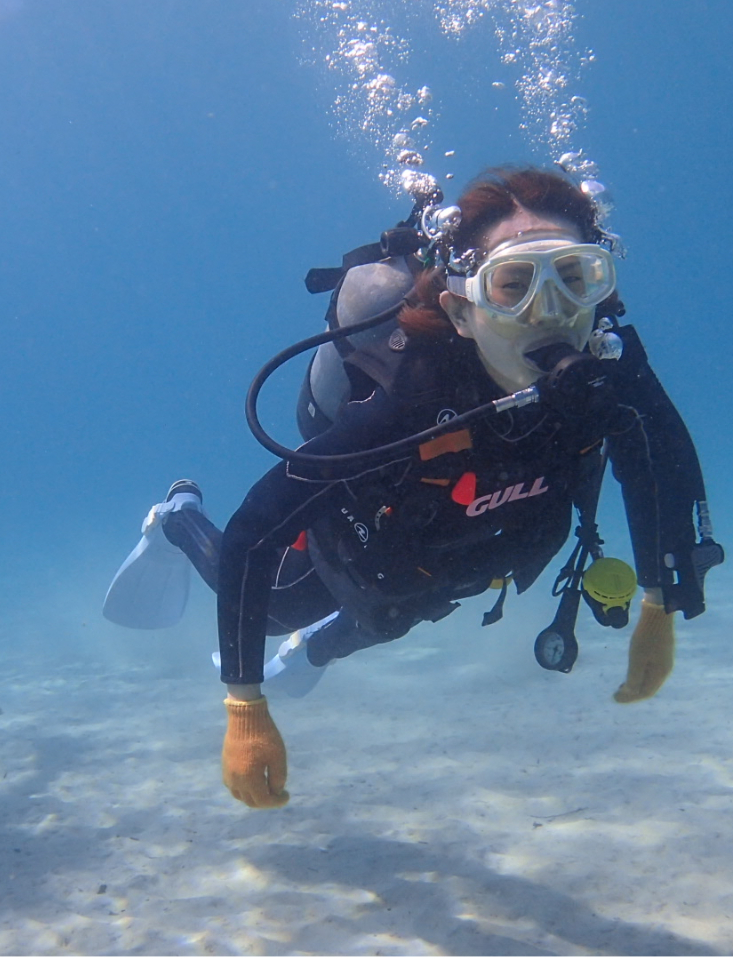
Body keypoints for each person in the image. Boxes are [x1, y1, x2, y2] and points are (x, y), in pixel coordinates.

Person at [104, 167, 721, 809]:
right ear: (461, 310)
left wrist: (658, 606)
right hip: (375, 541)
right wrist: (244, 705)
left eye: (575, 277)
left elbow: (661, 468)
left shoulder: (609, 369)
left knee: (392, 615)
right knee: (290, 610)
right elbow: (255, 533)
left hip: (461, 556)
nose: (553, 311)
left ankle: (312, 655)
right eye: (513, 285)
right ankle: (177, 516)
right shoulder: (409, 400)